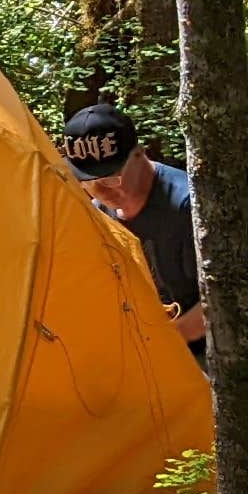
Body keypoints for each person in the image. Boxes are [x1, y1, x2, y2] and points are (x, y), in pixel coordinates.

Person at [58, 99, 206, 352]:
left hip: (195, 350)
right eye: (89, 182)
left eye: (112, 178)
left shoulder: (189, 208)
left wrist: (164, 342)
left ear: (139, 154)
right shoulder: (100, 213)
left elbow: (220, 300)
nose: (101, 190)